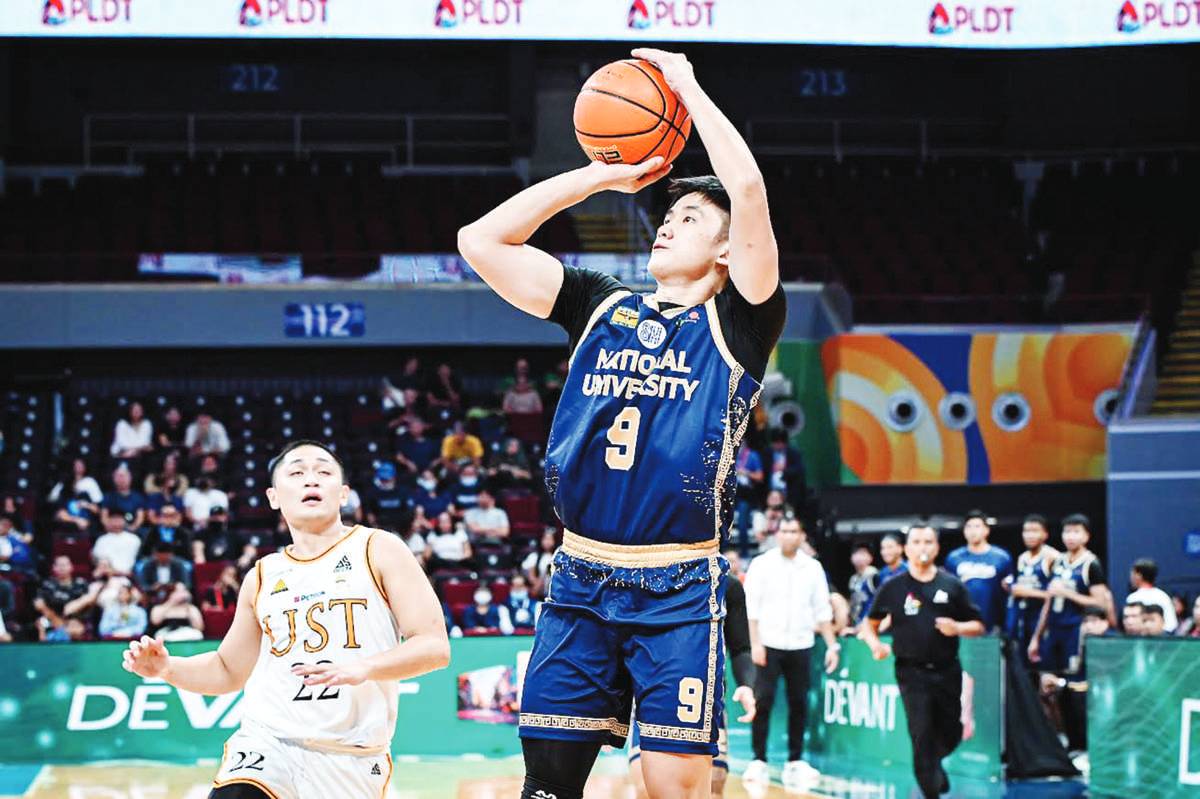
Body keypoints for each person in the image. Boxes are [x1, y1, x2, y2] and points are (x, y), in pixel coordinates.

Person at [458, 46, 784, 799]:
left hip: (677, 582)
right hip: (579, 573)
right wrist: (602, 174)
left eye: (690, 217)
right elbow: (481, 243)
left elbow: (748, 188)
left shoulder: (740, 323)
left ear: (728, 248)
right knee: (546, 788)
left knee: (676, 789)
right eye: (667, 214)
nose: (668, 225)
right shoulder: (600, 303)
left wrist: (688, 88)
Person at [122, 440, 450, 798]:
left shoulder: (378, 548)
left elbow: (434, 647)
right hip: (268, 744)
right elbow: (228, 669)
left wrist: (365, 667)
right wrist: (168, 670)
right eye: (296, 472)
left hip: (351, 759)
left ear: (343, 494)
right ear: (274, 497)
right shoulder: (262, 576)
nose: (311, 479)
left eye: (324, 472)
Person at [860, 524, 984, 799]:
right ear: (907, 549)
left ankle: (934, 766)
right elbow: (869, 625)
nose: (922, 547)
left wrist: (958, 628)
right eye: (916, 542)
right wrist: (875, 645)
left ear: (937, 548)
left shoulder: (952, 585)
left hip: (947, 670)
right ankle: (930, 790)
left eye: (928, 542)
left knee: (951, 731)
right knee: (921, 733)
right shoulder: (893, 587)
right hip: (910, 672)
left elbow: (978, 624)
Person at [630, 570, 757, 799]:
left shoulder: (728, 584)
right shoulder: (647, 575)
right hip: (652, 695)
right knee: (645, 788)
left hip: (703, 698)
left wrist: (746, 685)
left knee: (713, 786)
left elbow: (740, 648)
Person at [742, 516, 839, 789]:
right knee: (763, 702)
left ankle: (795, 761)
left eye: (794, 531)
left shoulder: (813, 568)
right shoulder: (762, 564)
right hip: (768, 643)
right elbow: (751, 609)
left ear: (801, 535)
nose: (788, 535)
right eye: (784, 531)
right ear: (777, 534)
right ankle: (758, 759)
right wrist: (755, 643)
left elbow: (822, 610)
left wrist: (832, 644)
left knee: (799, 703)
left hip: (801, 644)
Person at [1028, 514, 1108, 755]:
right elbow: (1049, 602)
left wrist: (1069, 594)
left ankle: (1082, 745)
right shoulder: (1059, 561)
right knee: (1049, 688)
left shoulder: (1091, 564)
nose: (1071, 537)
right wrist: (1036, 636)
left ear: (1086, 536)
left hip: (1076, 633)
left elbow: (1101, 602)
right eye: (1067, 532)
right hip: (1054, 632)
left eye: (1076, 532)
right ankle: (1064, 741)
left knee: (1075, 689)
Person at [944, 510, 1012, 633]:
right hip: (962, 623)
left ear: (986, 530)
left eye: (977, 526)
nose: (972, 531)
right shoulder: (953, 558)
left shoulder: (1002, 557)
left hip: (993, 623)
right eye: (969, 527)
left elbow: (1008, 590)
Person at [1004, 514, 1058, 664]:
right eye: (1026, 531)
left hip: (1044, 619)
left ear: (1045, 534)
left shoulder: (1052, 557)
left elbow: (1057, 594)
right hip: (1023, 618)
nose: (1030, 535)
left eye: (1035, 531)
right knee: (1023, 667)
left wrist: (1026, 592)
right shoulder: (1022, 558)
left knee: (1043, 667)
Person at [1125, 558, 1178, 632]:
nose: (1131, 578)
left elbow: (1171, 625)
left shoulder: (1133, 598)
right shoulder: (1163, 596)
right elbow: (1172, 625)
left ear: (1138, 576)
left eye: (1133, 574)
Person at [101, 465, 147, 532]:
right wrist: (113, 528)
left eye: (124, 476)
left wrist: (132, 528)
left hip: (132, 531)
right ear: (113, 478)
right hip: (112, 531)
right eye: (118, 476)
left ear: (130, 478)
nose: (121, 479)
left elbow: (140, 518)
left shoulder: (138, 497)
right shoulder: (108, 496)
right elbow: (104, 518)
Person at [846, 542, 879, 630]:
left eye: (863, 553)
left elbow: (877, 602)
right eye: (856, 553)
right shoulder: (853, 579)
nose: (859, 556)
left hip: (870, 623)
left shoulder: (873, 575)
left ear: (870, 558)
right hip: (855, 622)